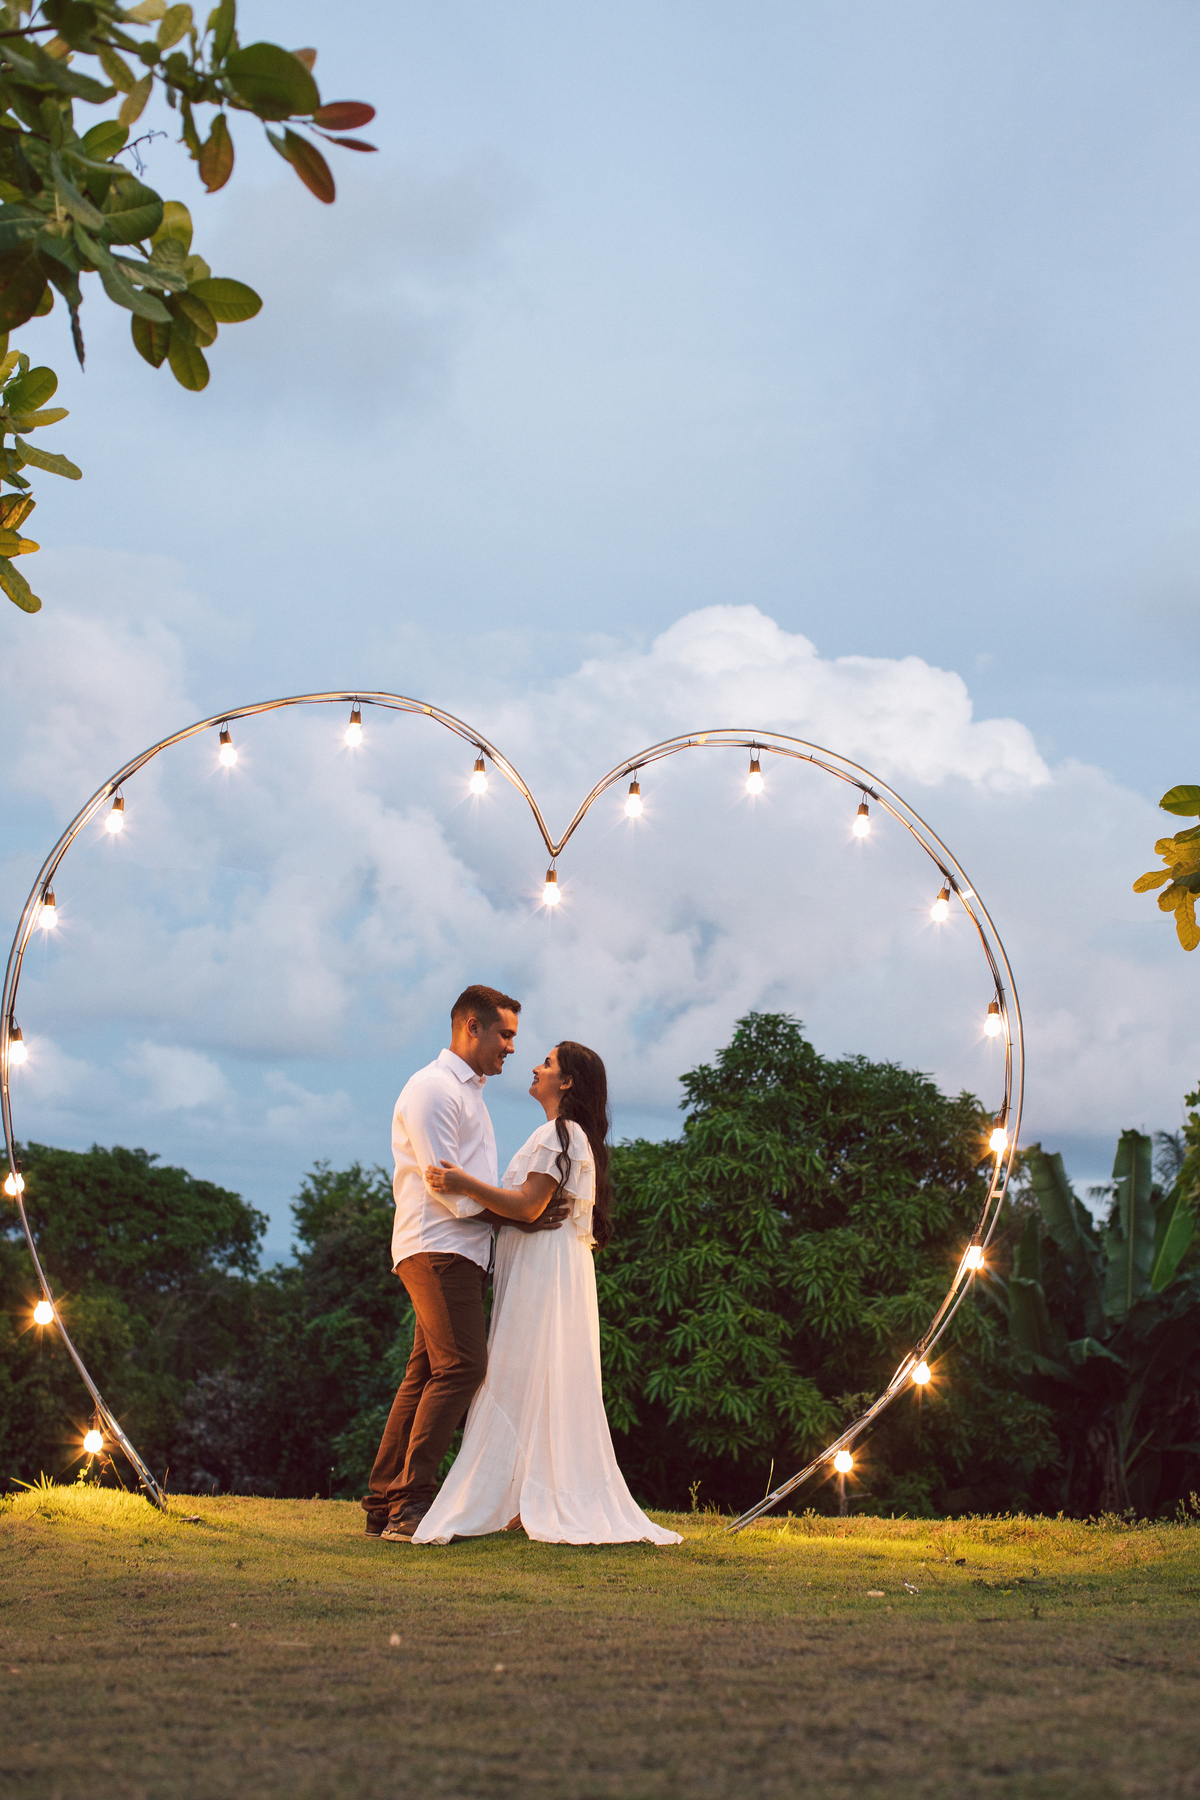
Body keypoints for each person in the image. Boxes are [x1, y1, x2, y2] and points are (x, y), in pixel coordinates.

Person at [413, 1039, 682, 1547]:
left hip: (543, 1268)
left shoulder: (559, 1133)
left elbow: (528, 1206)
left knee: (522, 1366)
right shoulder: (567, 1135)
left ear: (568, 1081)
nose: (535, 1067)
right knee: (538, 1371)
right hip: (547, 1263)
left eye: (548, 1063)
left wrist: (461, 1182)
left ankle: (523, 1494)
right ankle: (528, 1493)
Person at [363, 985, 567, 1544]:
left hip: (461, 1250)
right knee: (462, 1368)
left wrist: (515, 1220)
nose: (511, 1048)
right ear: (471, 1027)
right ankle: (410, 1504)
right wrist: (524, 1217)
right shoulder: (433, 1089)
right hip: (439, 1246)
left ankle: (383, 1502)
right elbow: (447, 1191)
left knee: (426, 1373)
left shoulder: (468, 1093)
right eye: (505, 1035)